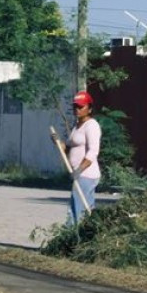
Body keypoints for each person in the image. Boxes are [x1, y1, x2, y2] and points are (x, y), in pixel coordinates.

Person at [57, 90, 101, 224]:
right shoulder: (77, 127)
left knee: (77, 210)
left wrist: (79, 170)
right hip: (78, 174)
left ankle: (71, 239)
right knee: (84, 209)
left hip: (86, 174)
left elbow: (93, 151)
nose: (77, 109)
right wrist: (58, 142)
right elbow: (68, 149)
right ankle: (86, 238)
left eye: (81, 107)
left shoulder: (92, 125)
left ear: (90, 108)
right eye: (75, 106)